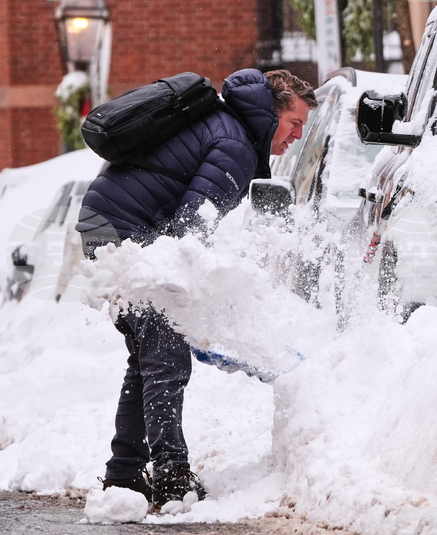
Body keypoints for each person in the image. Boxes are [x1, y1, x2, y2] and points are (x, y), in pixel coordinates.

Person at [75, 68, 317, 507]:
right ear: (271, 114)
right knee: (167, 357)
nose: (297, 136)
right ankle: (171, 476)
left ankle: (125, 474)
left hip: (110, 223)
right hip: (123, 230)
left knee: (150, 356)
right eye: (295, 123)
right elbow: (191, 229)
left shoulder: (228, 128)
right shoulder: (237, 146)